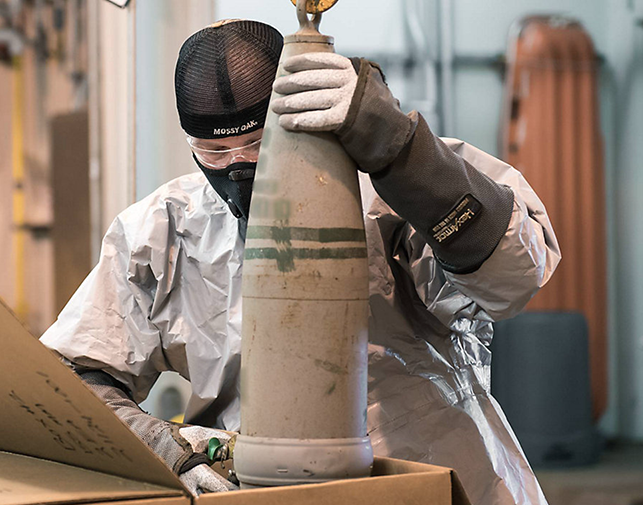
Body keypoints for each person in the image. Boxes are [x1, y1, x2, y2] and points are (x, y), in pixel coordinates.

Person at [41, 19, 560, 505]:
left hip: (435, 477)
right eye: (215, 154)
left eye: (256, 143)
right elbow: (72, 379)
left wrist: (403, 157)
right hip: (261, 489)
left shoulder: (398, 189)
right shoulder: (161, 232)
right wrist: (164, 445)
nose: (238, 167)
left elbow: (513, 279)